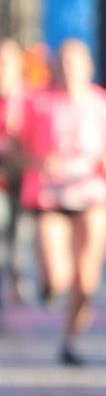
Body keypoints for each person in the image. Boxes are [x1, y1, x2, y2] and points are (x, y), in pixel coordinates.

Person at [13, 38, 106, 364]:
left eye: (76, 63)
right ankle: (50, 286)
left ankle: (70, 340)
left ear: (88, 67)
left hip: (93, 196)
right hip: (49, 196)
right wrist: (38, 163)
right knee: (57, 273)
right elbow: (14, 149)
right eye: (63, 63)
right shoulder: (38, 103)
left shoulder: (103, 105)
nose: (69, 70)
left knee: (86, 276)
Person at [0, 38, 30, 317]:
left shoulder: (28, 98)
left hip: (23, 177)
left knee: (17, 232)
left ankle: (15, 276)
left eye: (7, 63)